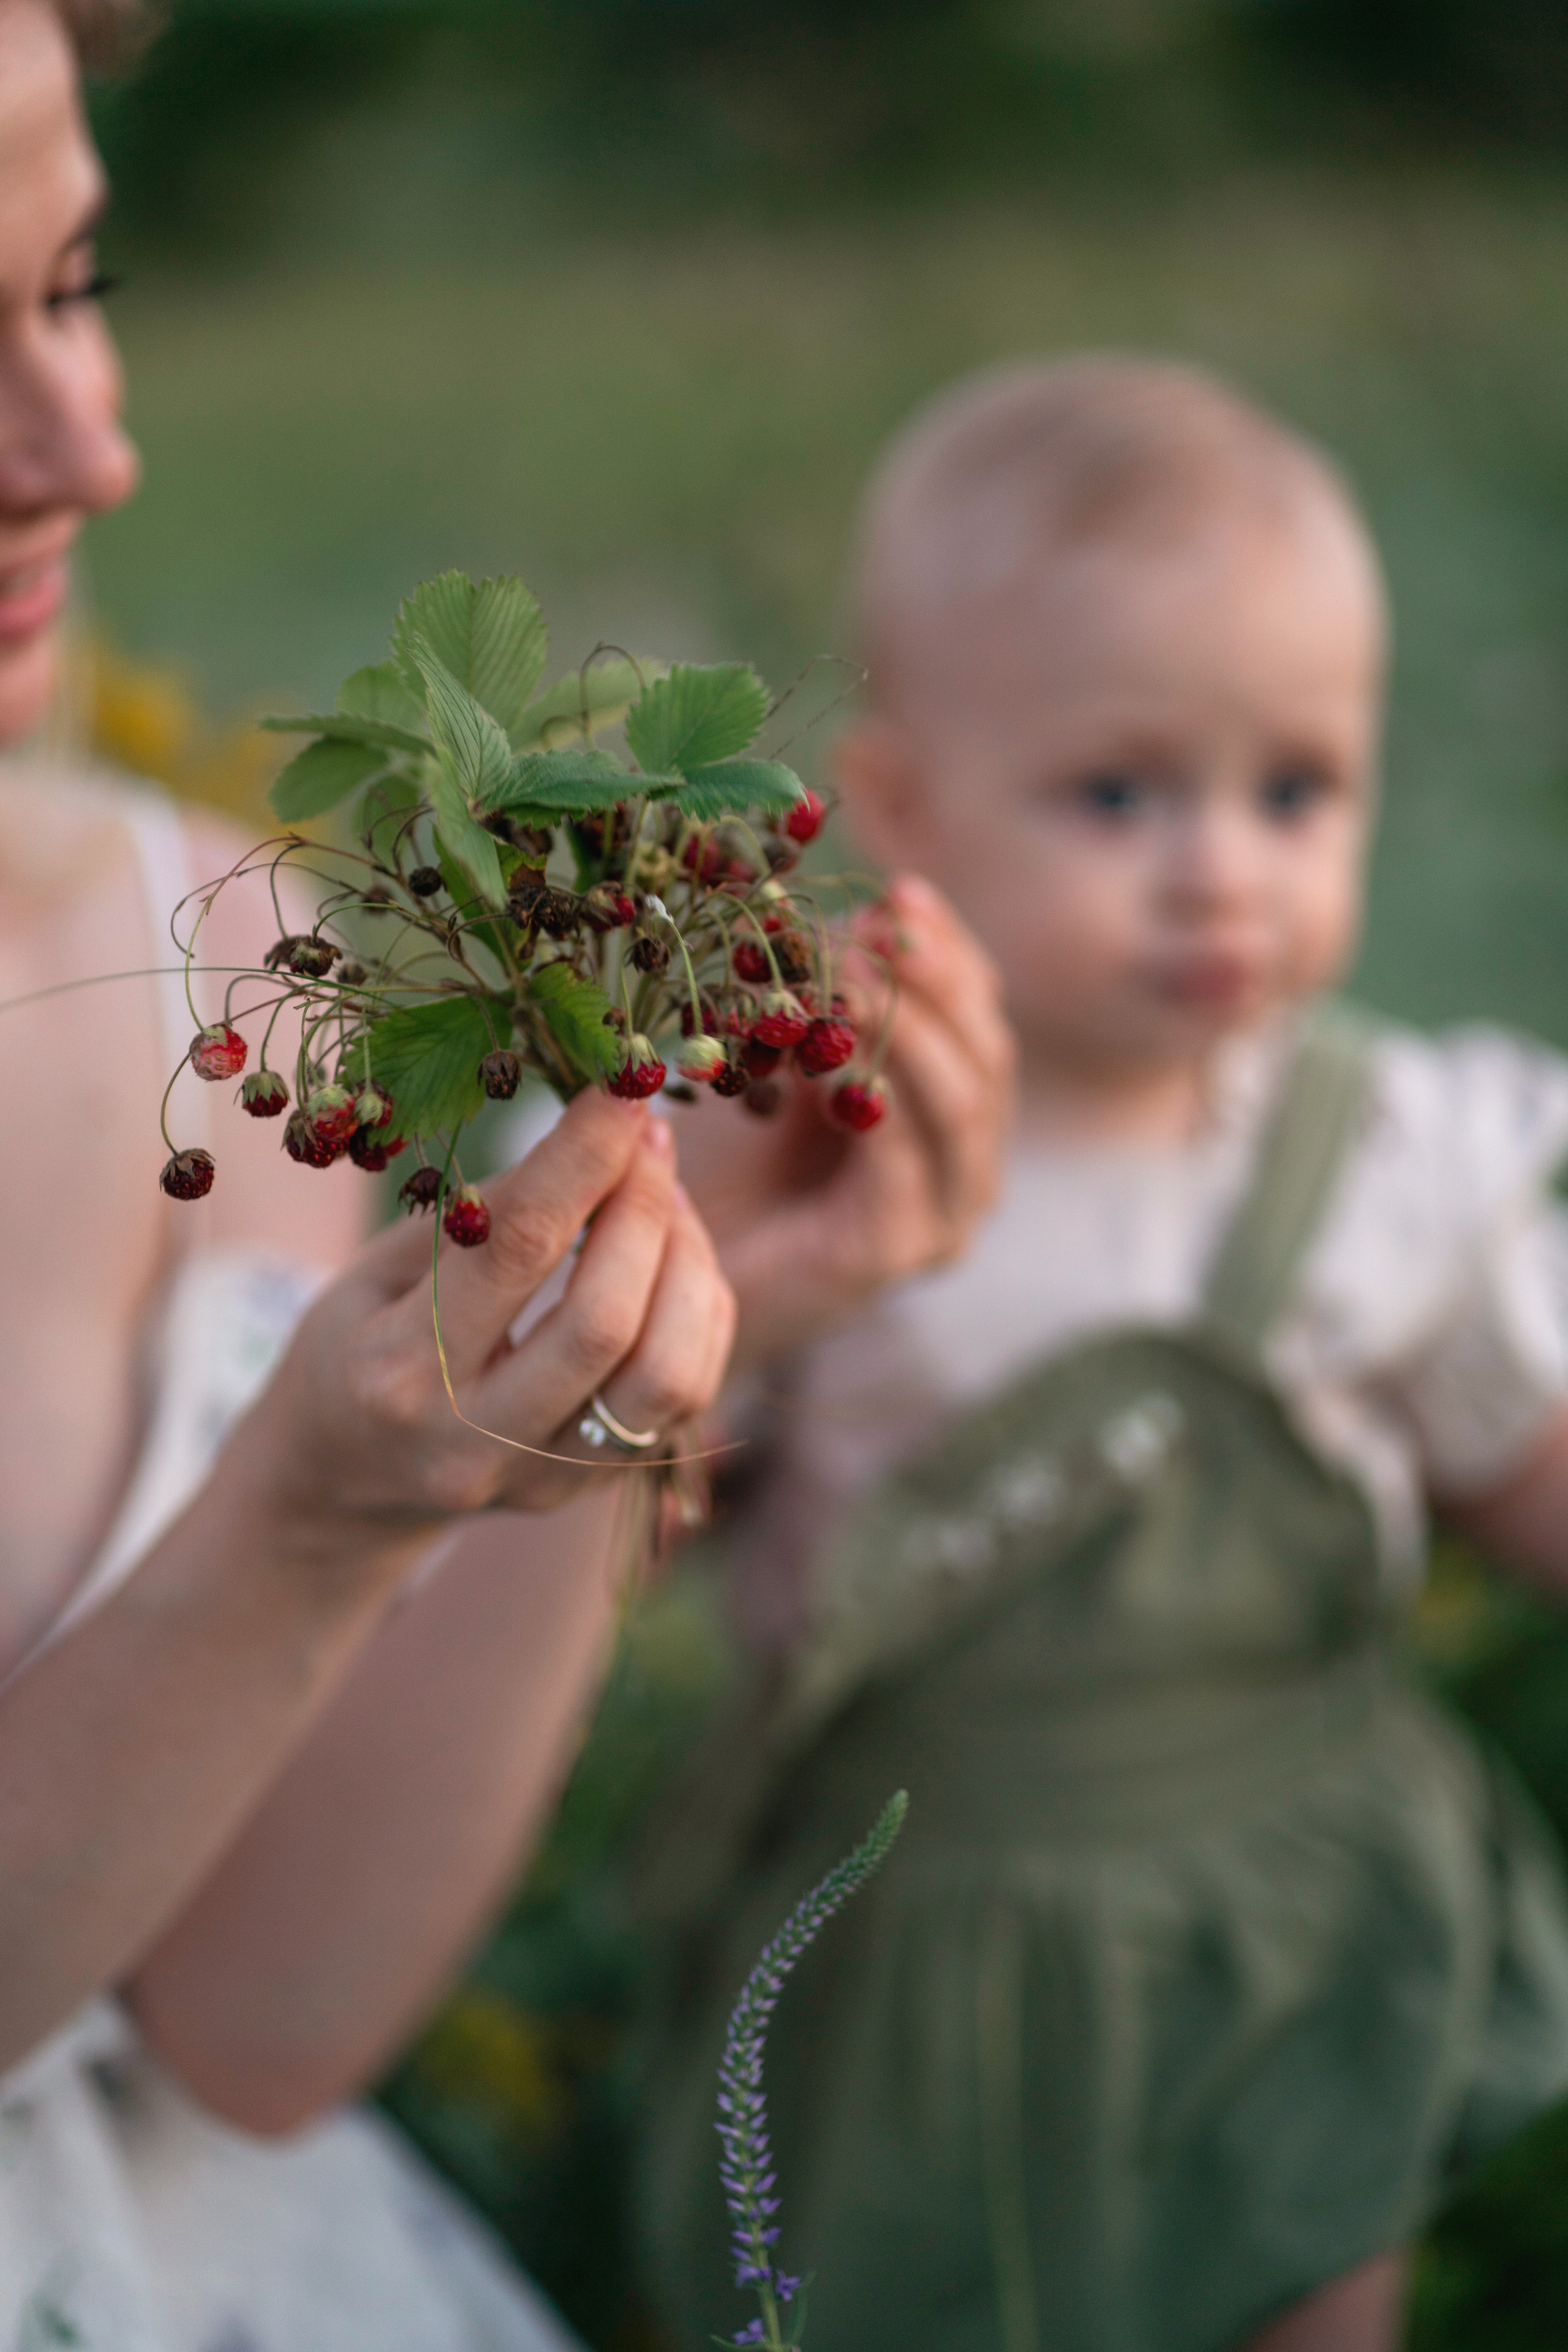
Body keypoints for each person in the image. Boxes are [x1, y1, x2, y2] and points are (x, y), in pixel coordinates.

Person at [0, 5, 1014, 2346]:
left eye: (74, 290)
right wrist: (293, 1524)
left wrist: (603, 1389)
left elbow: (248, 2034)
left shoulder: (219, 970)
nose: (92, 448)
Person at [638, 354, 1568, 2352]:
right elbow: (659, 1504)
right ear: (902, 811)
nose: (1221, 864)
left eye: (1295, 788)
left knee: (1315, 2278)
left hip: (1291, 1900)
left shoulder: (1383, 1155)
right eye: (1121, 792)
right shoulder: (837, 1153)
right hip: (920, 1912)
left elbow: (1516, 1445)